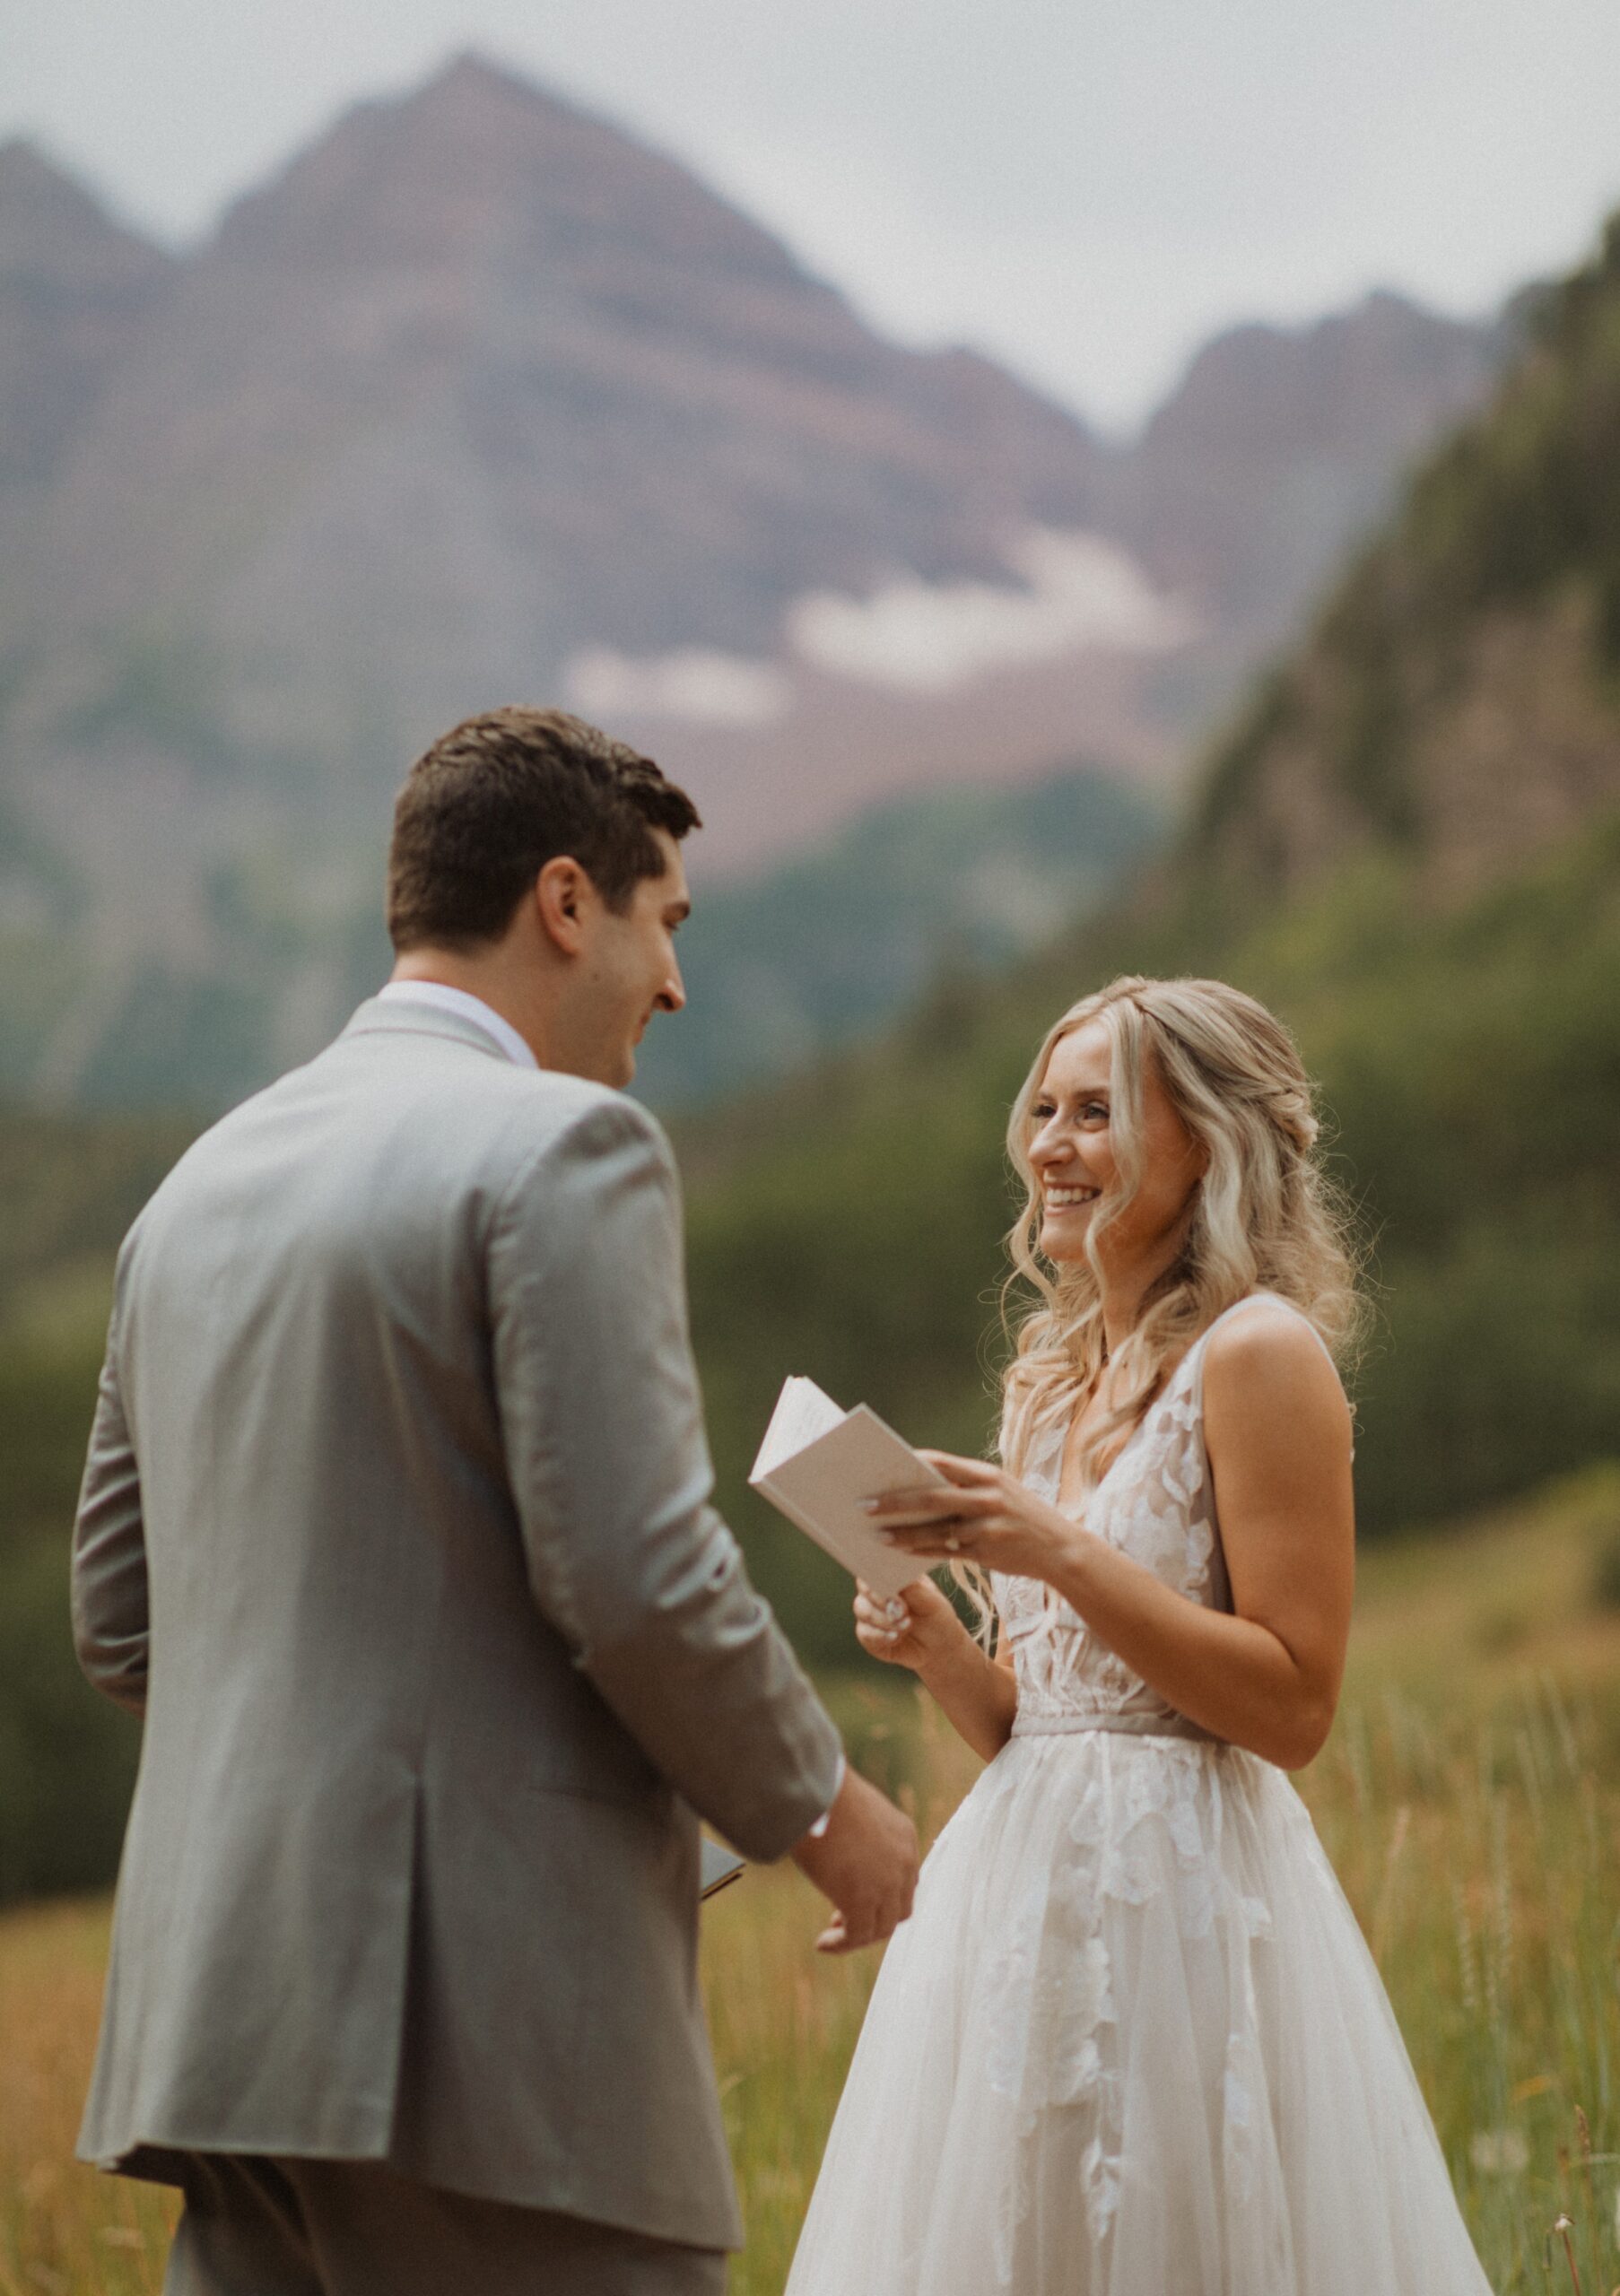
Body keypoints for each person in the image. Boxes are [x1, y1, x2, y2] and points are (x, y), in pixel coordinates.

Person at [71, 706, 918, 2296]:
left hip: (222, 2041)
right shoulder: (561, 1148)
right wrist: (826, 1812)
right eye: (665, 924)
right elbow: (639, 1577)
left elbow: (124, 1628)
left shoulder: (188, 1195)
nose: (674, 982)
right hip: (490, 2044)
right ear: (565, 902)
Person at [785, 975, 1494, 2295]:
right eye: (1041, 1110)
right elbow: (1044, 1724)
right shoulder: (1047, 1382)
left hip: (1185, 1912)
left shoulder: (1258, 1353)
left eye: (1095, 1112)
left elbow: (1292, 1707)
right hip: (1015, 1903)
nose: (1049, 1144)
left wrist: (1052, 1547)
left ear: (1207, 1143)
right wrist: (940, 1644)